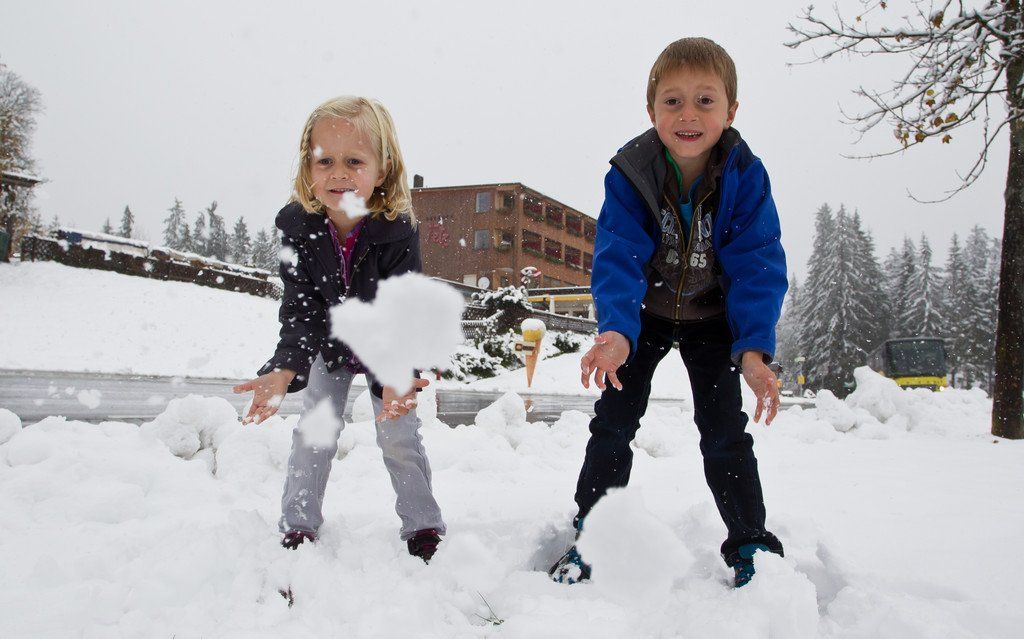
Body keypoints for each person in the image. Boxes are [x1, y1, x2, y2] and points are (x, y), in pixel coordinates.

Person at [550, 37, 788, 587]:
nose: (688, 115)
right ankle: (594, 533)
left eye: (705, 101)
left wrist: (753, 349)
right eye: (673, 101)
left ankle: (750, 539)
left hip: (713, 318)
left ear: (731, 110)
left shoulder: (745, 175)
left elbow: (757, 262)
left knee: (724, 431)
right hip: (644, 314)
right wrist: (617, 330)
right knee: (613, 421)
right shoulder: (631, 172)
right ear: (651, 109)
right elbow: (618, 256)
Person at [233, 96, 445, 561]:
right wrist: (285, 368)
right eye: (324, 161)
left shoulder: (397, 230)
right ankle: (298, 523)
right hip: (329, 344)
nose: (338, 173)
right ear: (307, 167)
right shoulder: (298, 229)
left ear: (383, 169)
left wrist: (398, 377)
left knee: (398, 436)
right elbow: (301, 307)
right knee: (315, 432)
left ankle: (423, 524)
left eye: (354, 161)